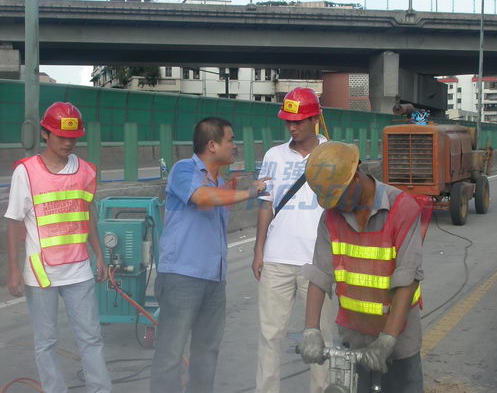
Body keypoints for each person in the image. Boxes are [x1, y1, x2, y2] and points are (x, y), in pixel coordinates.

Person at [298, 141, 429, 393]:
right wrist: (311, 329)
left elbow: (407, 279)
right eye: (331, 200)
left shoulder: (402, 208)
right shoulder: (331, 217)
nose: (336, 205)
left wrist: (388, 339)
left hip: (398, 337)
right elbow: (320, 274)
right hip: (353, 338)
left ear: (356, 176)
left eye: (340, 196)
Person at [150, 117, 269, 393]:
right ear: (212, 144)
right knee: (170, 352)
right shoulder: (183, 170)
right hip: (182, 276)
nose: (235, 145)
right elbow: (201, 198)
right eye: (231, 140)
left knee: (207, 352)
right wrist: (249, 192)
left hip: (214, 279)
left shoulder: (221, 181)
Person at [5, 102, 112, 393]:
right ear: (44, 134)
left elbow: (87, 214)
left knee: (91, 338)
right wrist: (14, 270)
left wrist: (99, 255)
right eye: (61, 136)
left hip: (79, 271)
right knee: (46, 342)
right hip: (41, 275)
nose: (68, 143)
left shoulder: (87, 171)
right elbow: (14, 222)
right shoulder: (25, 172)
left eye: (73, 137)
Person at [253, 88, 333, 393]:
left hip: (319, 263)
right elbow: (266, 205)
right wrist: (259, 251)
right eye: (289, 121)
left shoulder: (333, 154)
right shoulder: (274, 156)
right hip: (277, 260)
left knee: (320, 335)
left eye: (299, 120)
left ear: (315, 118)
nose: (292, 126)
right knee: (270, 335)